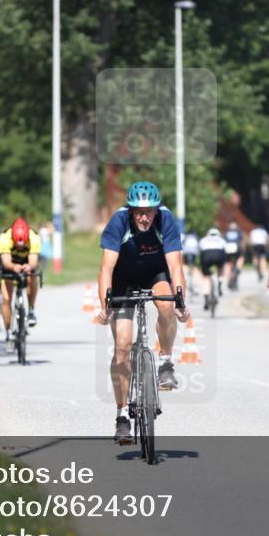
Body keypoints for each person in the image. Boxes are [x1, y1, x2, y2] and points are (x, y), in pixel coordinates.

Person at [94, 181, 188, 444]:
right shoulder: (118, 222)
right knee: (122, 347)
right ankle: (122, 416)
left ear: (157, 210)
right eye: (139, 212)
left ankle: (166, 362)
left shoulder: (166, 221)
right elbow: (106, 268)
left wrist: (181, 301)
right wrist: (105, 307)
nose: (144, 217)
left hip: (154, 274)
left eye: (149, 211)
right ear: (131, 211)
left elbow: (175, 265)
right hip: (123, 278)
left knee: (167, 304)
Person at [0, 218, 41, 351]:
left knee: (33, 278)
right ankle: (8, 333)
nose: (20, 246)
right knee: (6, 299)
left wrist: (29, 266)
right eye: (17, 244)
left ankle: (31, 310)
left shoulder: (34, 237)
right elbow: (6, 261)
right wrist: (13, 266)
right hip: (10, 265)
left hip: (26, 263)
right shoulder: (5, 237)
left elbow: (33, 260)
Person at [198, 228, 227, 309]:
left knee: (206, 278)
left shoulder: (204, 240)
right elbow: (226, 250)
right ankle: (220, 283)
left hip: (206, 255)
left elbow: (199, 250)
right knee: (221, 268)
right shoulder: (221, 240)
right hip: (218, 254)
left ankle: (206, 297)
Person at [223, 221, 245, 291]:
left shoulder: (226, 232)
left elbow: (224, 242)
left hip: (228, 249)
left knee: (227, 263)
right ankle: (238, 269)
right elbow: (242, 242)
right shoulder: (238, 232)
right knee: (241, 257)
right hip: (237, 248)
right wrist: (243, 251)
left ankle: (229, 277)